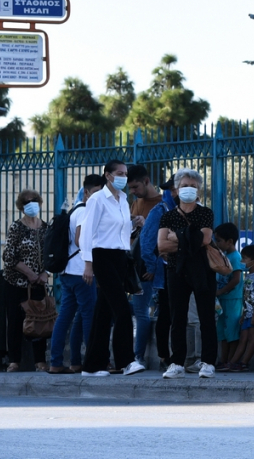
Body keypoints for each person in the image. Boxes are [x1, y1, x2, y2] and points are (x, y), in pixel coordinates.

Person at [79, 160, 145, 377]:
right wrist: (88, 263)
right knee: (123, 309)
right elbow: (87, 232)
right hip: (102, 256)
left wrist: (134, 226)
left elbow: (122, 234)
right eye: (119, 173)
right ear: (107, 175)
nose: (123, 177)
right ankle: (126, 361)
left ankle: (91, 365)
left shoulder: (123, 200)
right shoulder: (98, 199)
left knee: (103, 313)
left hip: (119, 257)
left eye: (125, 173)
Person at [157, 168, 218, 379]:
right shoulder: (167, 216)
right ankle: (177, 363)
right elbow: (162, 245)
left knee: (206, 317)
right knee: (177, 317)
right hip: (176, 269)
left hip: (202, 270)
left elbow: (205, 240)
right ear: (176, 189)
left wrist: (178, 237)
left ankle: (208, 362)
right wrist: (188, 239)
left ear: (199, 189)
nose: (188, 190)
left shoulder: (205, 213)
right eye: (184, 186)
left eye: (192, 186)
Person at [49, 174, 104, 374]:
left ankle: (63, 362)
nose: (99, 196)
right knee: (87, 316)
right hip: (82, 272)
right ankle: (91, 361)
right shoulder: (85, 211)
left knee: (68, 316)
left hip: (68, 271)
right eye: (97, 192)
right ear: (87, 192)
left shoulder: (75, 210)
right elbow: (81, 240)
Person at [2, 189, 50, 373]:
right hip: (16, 282)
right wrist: (29, 272)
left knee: (40, 321)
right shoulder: (16, 227)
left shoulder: (45, 227)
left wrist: (45, 273)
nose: (32, 204)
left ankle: (40, 361)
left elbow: (50, 255)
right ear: (21, 207)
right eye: (27, 202)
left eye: (35, 200)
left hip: (38, 283)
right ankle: (14, 361)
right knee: (15, 322)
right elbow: (9, 256)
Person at [140, 174, 177, 371]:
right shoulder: (160, 210)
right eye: (172, 189)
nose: (174, 192)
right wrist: (151, 267)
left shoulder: (185, 210)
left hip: (181, 269)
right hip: (163, 270)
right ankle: (164, 355)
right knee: (166, 315)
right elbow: (147, 242)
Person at [127, 164, 162, 367]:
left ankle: (138, 356)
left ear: (146, 181)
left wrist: (153, 267)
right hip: (135, 264)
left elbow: (162, 238)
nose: (133, 192)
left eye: (135, 187)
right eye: (130, 188)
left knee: (141, 312)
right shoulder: (136, 203)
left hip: (149, 267)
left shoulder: (161, 204)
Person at [228, 244, 254, 372]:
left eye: (244, 259)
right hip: (248, 314)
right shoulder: (249, 276)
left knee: (252, 338)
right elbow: (247, 298)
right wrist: (244, 314)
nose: (241, 262)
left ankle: (244, 363)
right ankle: (233, 362)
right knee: (243, 338)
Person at [213, 222, 244, 370]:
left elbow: (236, 279)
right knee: (222, 332)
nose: (216, 243)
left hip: (232, 299)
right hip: (223, 300)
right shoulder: (223, 255)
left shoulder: (235, 257)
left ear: (229, 241)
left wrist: (221, 291)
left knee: (232, 331)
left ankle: (231, 361)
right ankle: (223, 360)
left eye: (219, 240)